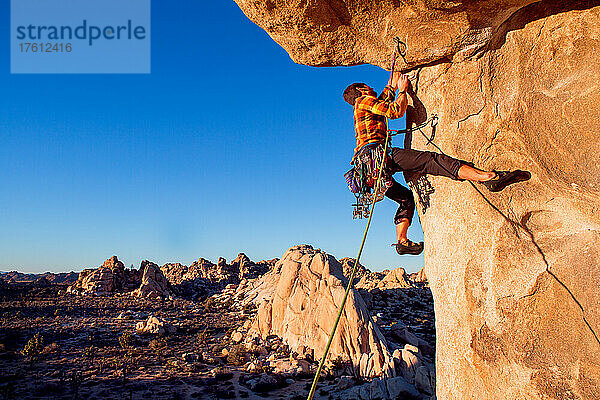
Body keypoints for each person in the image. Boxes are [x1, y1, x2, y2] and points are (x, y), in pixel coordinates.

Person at [343, 72, 530, 256]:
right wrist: (402, 92)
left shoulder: (367, 105)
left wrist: (393, 81)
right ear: (361, 89)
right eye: (369, 87)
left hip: (369, 169)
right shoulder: (363, 101)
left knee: (406, 199)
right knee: (430, 160)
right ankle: (488, 177)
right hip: (378, 156)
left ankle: (402, 241)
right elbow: (394, 111)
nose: (373, 88)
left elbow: (386, 95)